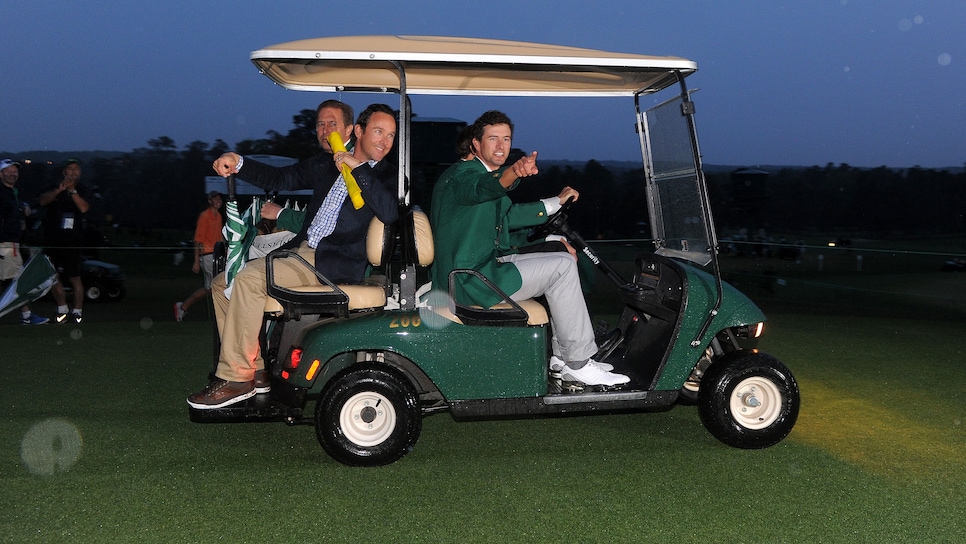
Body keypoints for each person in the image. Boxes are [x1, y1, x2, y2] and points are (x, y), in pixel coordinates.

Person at [187, 102, 399, 409]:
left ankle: (236, 378)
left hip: (329, 264)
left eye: (391, 135)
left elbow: (390, 211)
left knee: (248, 280)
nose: (384, 141)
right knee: (222, 284)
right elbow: (280, 179)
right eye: (378, 131)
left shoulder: (389, 176)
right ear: (360, 132)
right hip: (302, 253)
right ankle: (256, 371)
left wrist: (357, 167)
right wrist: (238, 162)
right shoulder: (327, 164)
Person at [430, 110, 629, 387]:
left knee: (559, 253)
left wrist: (555, 206)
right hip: (470, 280)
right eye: (493, 139)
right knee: (562, 267)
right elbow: (485, 188)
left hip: (479, 267)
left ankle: (562, 359)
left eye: (506, 139)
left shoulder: (470, 174)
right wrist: (514, 171)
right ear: (476, 144)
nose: (501, 146)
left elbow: (507, 218)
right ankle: (577, 363)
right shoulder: (465, 177)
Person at [38, 158, 90, 324]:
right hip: (53, 240)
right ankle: (62, 310)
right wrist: (59, 190)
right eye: (70, 169)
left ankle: (77, 312)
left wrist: (73, 191)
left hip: (73, 241)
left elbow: (84, 208)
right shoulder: (54, 187)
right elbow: (42, 201)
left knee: (75, 277)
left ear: (80, 173)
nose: (73, 172)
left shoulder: (82, 189)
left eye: (77, 169)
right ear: (64, 172)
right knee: (52, 277)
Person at [0, 158, 49, 325]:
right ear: (1, 174)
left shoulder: (12, 194)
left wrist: (23, 207)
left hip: (11, 243)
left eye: (15, 170)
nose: (13, 173)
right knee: (17, 281)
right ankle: (27, 317)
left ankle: (27, 316)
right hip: (5, 244)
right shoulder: (2, 193)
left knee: (12, 280)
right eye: (9, 170)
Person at [175, 191, 224, 321]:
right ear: (210, 201)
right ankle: (222, 315)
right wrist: (196, 261)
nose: (218, 201)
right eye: (215, 199)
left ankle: (183, 307)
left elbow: (219, 237)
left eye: (220, 199)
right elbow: (197, 240)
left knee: (209, 288)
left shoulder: (218, 216)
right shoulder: (205, 216)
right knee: (219, 285)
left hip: (216, 255)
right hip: (207, 256)